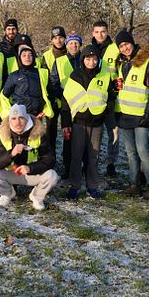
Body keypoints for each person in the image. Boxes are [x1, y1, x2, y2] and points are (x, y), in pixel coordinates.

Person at [114, 30, 149, 201]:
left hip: (142, 116)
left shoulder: (148, 63)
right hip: (125, 115)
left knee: (143, 151)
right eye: (121, 46)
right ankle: (134, 184)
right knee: (130, 153)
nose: (125, 48)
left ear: (132, 43)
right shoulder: (121, 64)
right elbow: (122, 89)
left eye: (127, 44)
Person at [61, 45, 113, 200]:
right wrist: (65, 124)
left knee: (93, 156)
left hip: (96, 123)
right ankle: (74, 186)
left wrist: (105, 113)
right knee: (76, 156)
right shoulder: (75, 76)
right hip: (79, 123)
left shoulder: (104, 75)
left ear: (98, 60)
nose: (91, 62)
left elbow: (110, 97)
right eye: (88, 58)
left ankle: (92, 186)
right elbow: (66, 102)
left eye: (94, 58)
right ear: (83, 59)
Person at [0, 104, 59, 211]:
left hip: (32, 173)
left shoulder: (39, 132)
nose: (17, 122)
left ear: (26, 118)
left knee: (52, 176)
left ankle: (37, 197)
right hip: (12, 172)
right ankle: (7, 194)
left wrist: (30, 168)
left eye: (21, 118)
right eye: (14, 118)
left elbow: (50, 159)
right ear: (9, 120)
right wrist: (11, 154)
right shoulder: (3, 132)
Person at [49, 31, 83, 177]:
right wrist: (63, 96)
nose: (73, 45)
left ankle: (82, 165)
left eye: (76, 43)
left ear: (80, 45)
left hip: (84, 104)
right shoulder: (60, 61)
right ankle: (68, 166)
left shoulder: (86, 59)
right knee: (67, 136)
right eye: (71, 43)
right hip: (66, 105)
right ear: (67, 45)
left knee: (82, 137)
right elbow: (53, 82)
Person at [91, 21, 121, 178]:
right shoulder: (89, 50)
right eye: (97, 32)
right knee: (95, 133)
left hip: (111, 97)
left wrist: (115, 91)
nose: (100, 34)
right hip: (95, 98)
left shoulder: (115, 49)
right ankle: (92, 162)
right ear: (93, 33)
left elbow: (120, 72)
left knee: (113, 132)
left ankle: (111, 163)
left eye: (103, 31)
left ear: (107, 32)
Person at [0, 42, 53, 120]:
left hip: (37, 116)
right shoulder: (14, 75)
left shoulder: (42, 73)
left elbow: (50, 93)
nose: (27, 57)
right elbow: (4, 97)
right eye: (24, 55)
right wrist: (10, 114)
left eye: (30, 55)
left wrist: (45, 111)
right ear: (19, 58)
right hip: (19, 117)